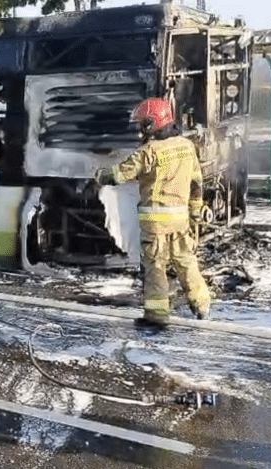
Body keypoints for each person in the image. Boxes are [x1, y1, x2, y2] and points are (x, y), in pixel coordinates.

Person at [93, 97, 211, 328]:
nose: (140, 128)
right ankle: (202, 306)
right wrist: (195, 210)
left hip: (155, 224)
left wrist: (98, 174)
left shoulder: (148, 152)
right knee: (186, 262)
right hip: (181, 221)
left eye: (143, 123)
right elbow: (197, 183)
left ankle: (157, 316)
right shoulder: (186, 147)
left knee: (156, 269)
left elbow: (119, 175)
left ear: (152, 123)